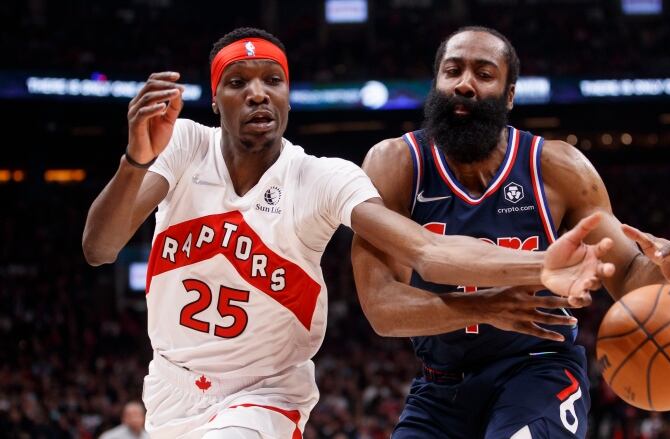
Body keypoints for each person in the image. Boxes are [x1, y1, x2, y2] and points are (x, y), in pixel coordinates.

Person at [82, 27, 616, 438]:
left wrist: (543, 265)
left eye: (273, 80)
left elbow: (426, 250)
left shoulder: (323, 177)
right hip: (170, 384)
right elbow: (100, 247)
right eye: (238, 82)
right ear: (215, 98)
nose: (258, 94)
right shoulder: (182, 146)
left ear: (290, 94)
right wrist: (135, 159)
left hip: (264, 392)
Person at [351, 26, 670, 439]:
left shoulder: (557, 168)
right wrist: (486, 307)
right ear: (436, 84)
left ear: (509, 95)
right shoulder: (396, 164)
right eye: (452, 71)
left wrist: (665, 273)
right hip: (440, 386)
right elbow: (381, 307)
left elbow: (626, 275)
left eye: (483, 74)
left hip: (540, 369)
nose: (464, 84)